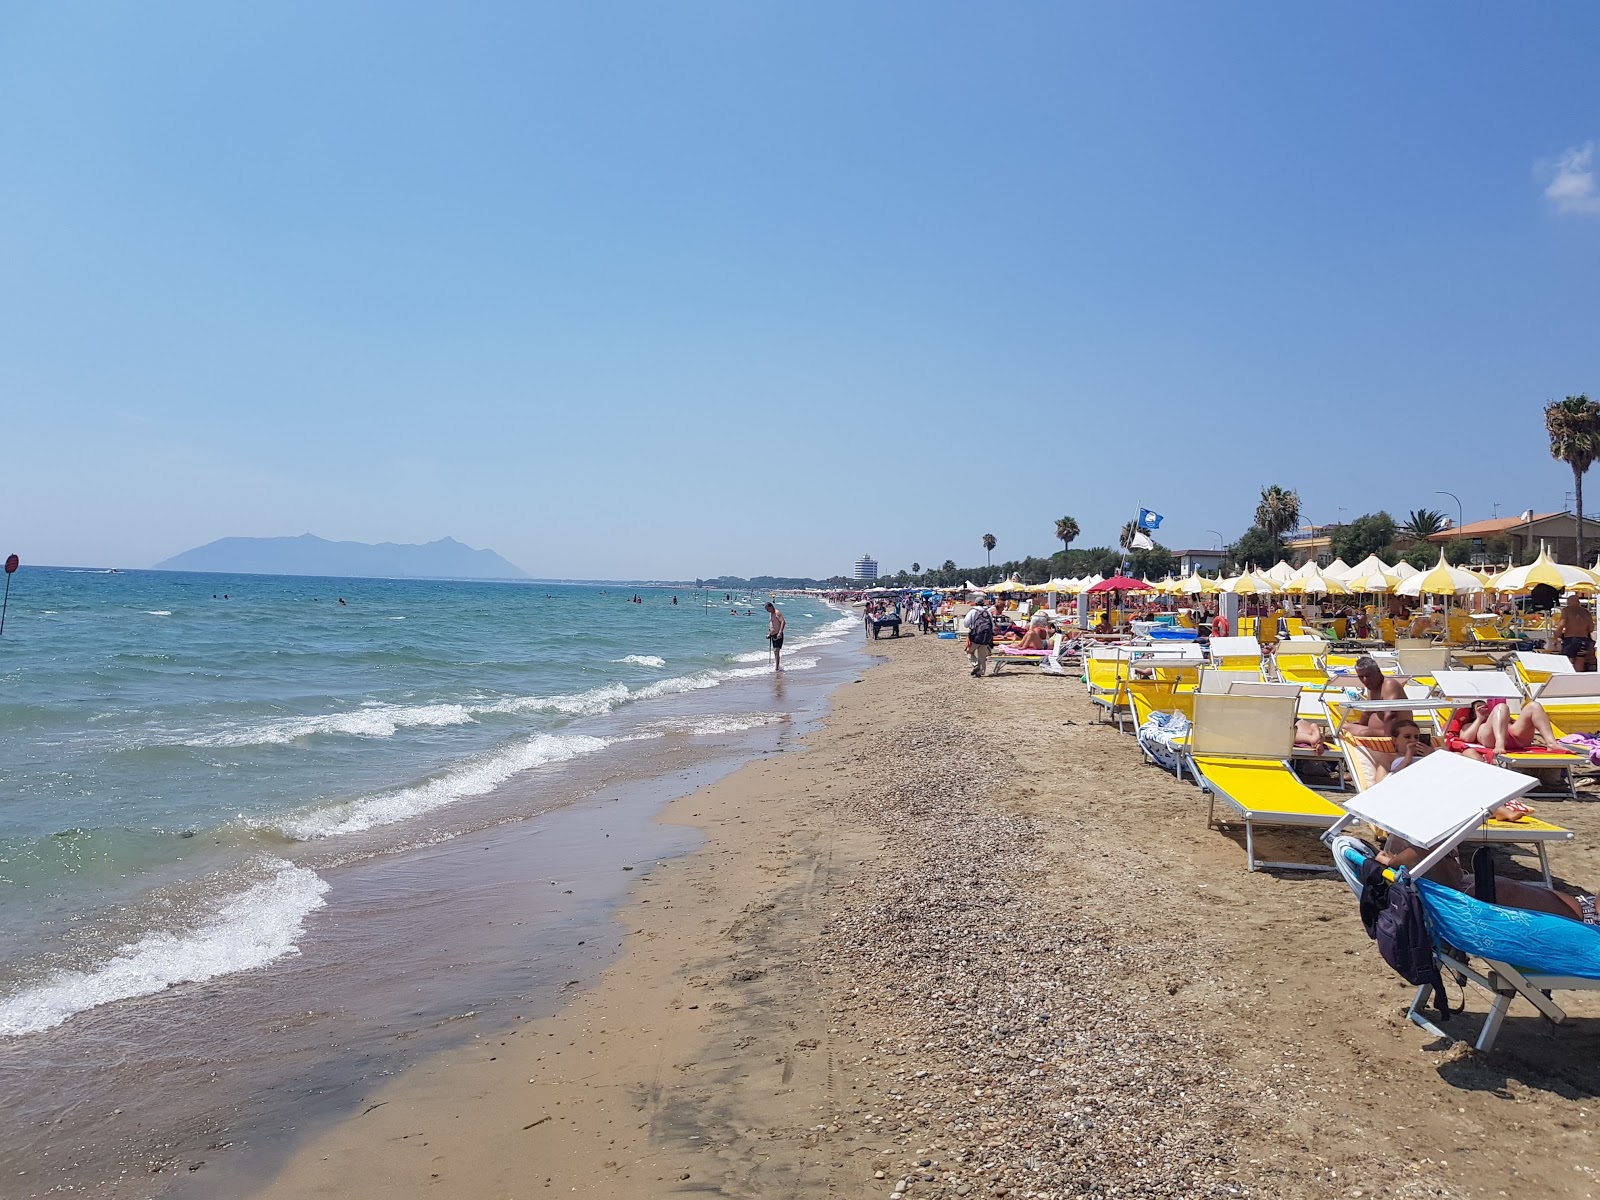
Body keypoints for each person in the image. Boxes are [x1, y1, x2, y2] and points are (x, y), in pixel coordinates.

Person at [1444, 698, 1561, 756]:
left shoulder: (1503, 716)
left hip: (1514, 736)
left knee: (1534, 706)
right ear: (1472, 713)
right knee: (1501, 707)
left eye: (1486, 706)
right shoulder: (1470, 724)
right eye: (1480, 706)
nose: (1485, 708)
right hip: (1492, 739)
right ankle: (1500, 742)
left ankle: (1551, 743)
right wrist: (1479, 718)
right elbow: (1466, 739)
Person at [1342, 655, 1411, 736]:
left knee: (1364, 733)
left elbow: (1391, 714)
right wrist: (1360, 725)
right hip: (1377, 731)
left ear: (1378, 671)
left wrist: (1388, 740)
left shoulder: (1389, 685)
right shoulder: (1371, 687)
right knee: (1343, 727)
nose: (1365, 680)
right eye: (1361, 676)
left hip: (1397, 733)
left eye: (1368, 675)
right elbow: (1367, 713)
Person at [1552, 593, 1596, 672]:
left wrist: (1555, 638)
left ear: (1568, 602)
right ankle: (1578, 681)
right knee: (1580, 662)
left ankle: (1567, 681)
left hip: (1571, 639)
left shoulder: (1567, 610)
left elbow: (1561, 624)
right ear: (1578, 602)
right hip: (1584, 640)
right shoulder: (1586, 612)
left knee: (1568, 662)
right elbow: (1591, 629)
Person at [963, 597, 995, 676]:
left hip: (975, 636)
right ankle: (980, 672)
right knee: (982, 655)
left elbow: (966, 624)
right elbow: (992, 626)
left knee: (969, 652)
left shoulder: (973, 611)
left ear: (975, 603)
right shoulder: (988, 612)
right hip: (985, 637)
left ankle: (975, 664)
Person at [764, 602, 786, 671]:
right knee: (775, 651)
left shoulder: (777, 613)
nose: (767, 611)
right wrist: (769, 634)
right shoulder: (771, 614)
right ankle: (777, 665)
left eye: (768, 609)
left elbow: (783, 622)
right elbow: (772, 624)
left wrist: (780, 632)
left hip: (778, 634)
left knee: (777, 650)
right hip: (773, 635)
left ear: (771, 607)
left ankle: (777, 668)